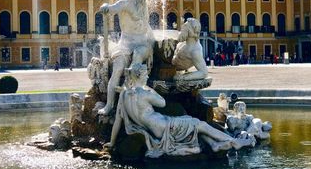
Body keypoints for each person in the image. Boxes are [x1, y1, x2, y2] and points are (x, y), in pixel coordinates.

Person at [104, 64, 255, 158]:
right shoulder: (145, 93)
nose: (147, 76)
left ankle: (215, 144)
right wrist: (150, 89)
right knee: (198, 124)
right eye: (145, 75)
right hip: (164, 127)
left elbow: (118, 120)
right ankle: (234, 141)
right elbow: (162, 103)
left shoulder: (124, 95)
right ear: (139, 76)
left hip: (158, 127)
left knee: (195, 124)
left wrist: (111, 142)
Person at [98, 0, 154, 115]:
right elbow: (111, 9)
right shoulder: (126, 3)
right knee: (117, 69)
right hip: (125, 44)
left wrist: (154, 41)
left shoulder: (144, 5)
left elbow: (146, 26)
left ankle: (127, 97)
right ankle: (109, 105)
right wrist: (105, 6)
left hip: (142, 44)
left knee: (137, 56)